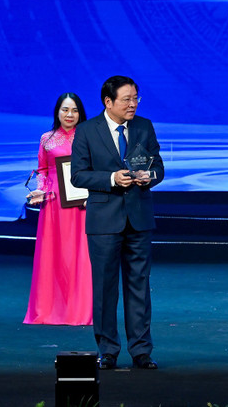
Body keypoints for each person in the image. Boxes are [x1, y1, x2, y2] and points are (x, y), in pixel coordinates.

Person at [71, 75, 164, 371]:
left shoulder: (144, 126)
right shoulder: (87, 130)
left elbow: (158, 166)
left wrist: (150, 177)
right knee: (105, 288)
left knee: (139, 287)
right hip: (104, 221)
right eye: (127, 99)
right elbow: (78, 175)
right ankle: (108, 349)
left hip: (139, 218)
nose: (133, 104)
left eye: (136, 98)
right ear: (108, 102)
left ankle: (141, 350)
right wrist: (111, 178)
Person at [24, 93, 93, 326]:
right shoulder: (47, 138)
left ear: (80, 113)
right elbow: (43, 170)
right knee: (53, 256)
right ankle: (48, 310)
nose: (69, 115)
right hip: (53, 204)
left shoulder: (89, 137)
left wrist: (92, 194)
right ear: (57, 112)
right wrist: (40, 190)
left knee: (80, 255)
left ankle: (79, 311)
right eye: (65, 109)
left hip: (81, 204)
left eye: (74, 110)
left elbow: (96, 170)